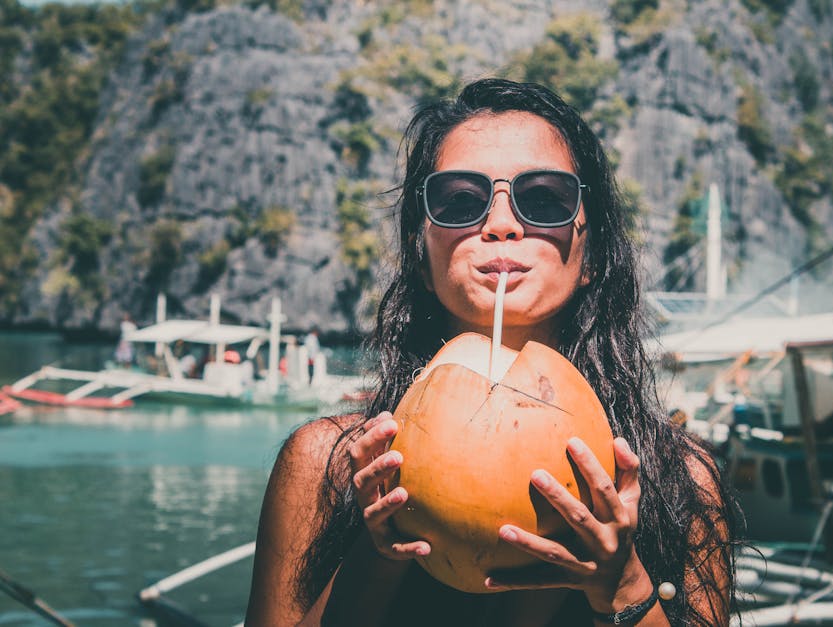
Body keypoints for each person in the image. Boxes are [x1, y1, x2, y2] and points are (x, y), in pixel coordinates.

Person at [245, 79, 738, 626]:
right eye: (460, 201)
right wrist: (378, 552)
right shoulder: (326, 463)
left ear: (590, 252)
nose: (500, 224)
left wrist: (622, 584)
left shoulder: (682, 479)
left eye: (544, 199)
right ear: (421, 254)